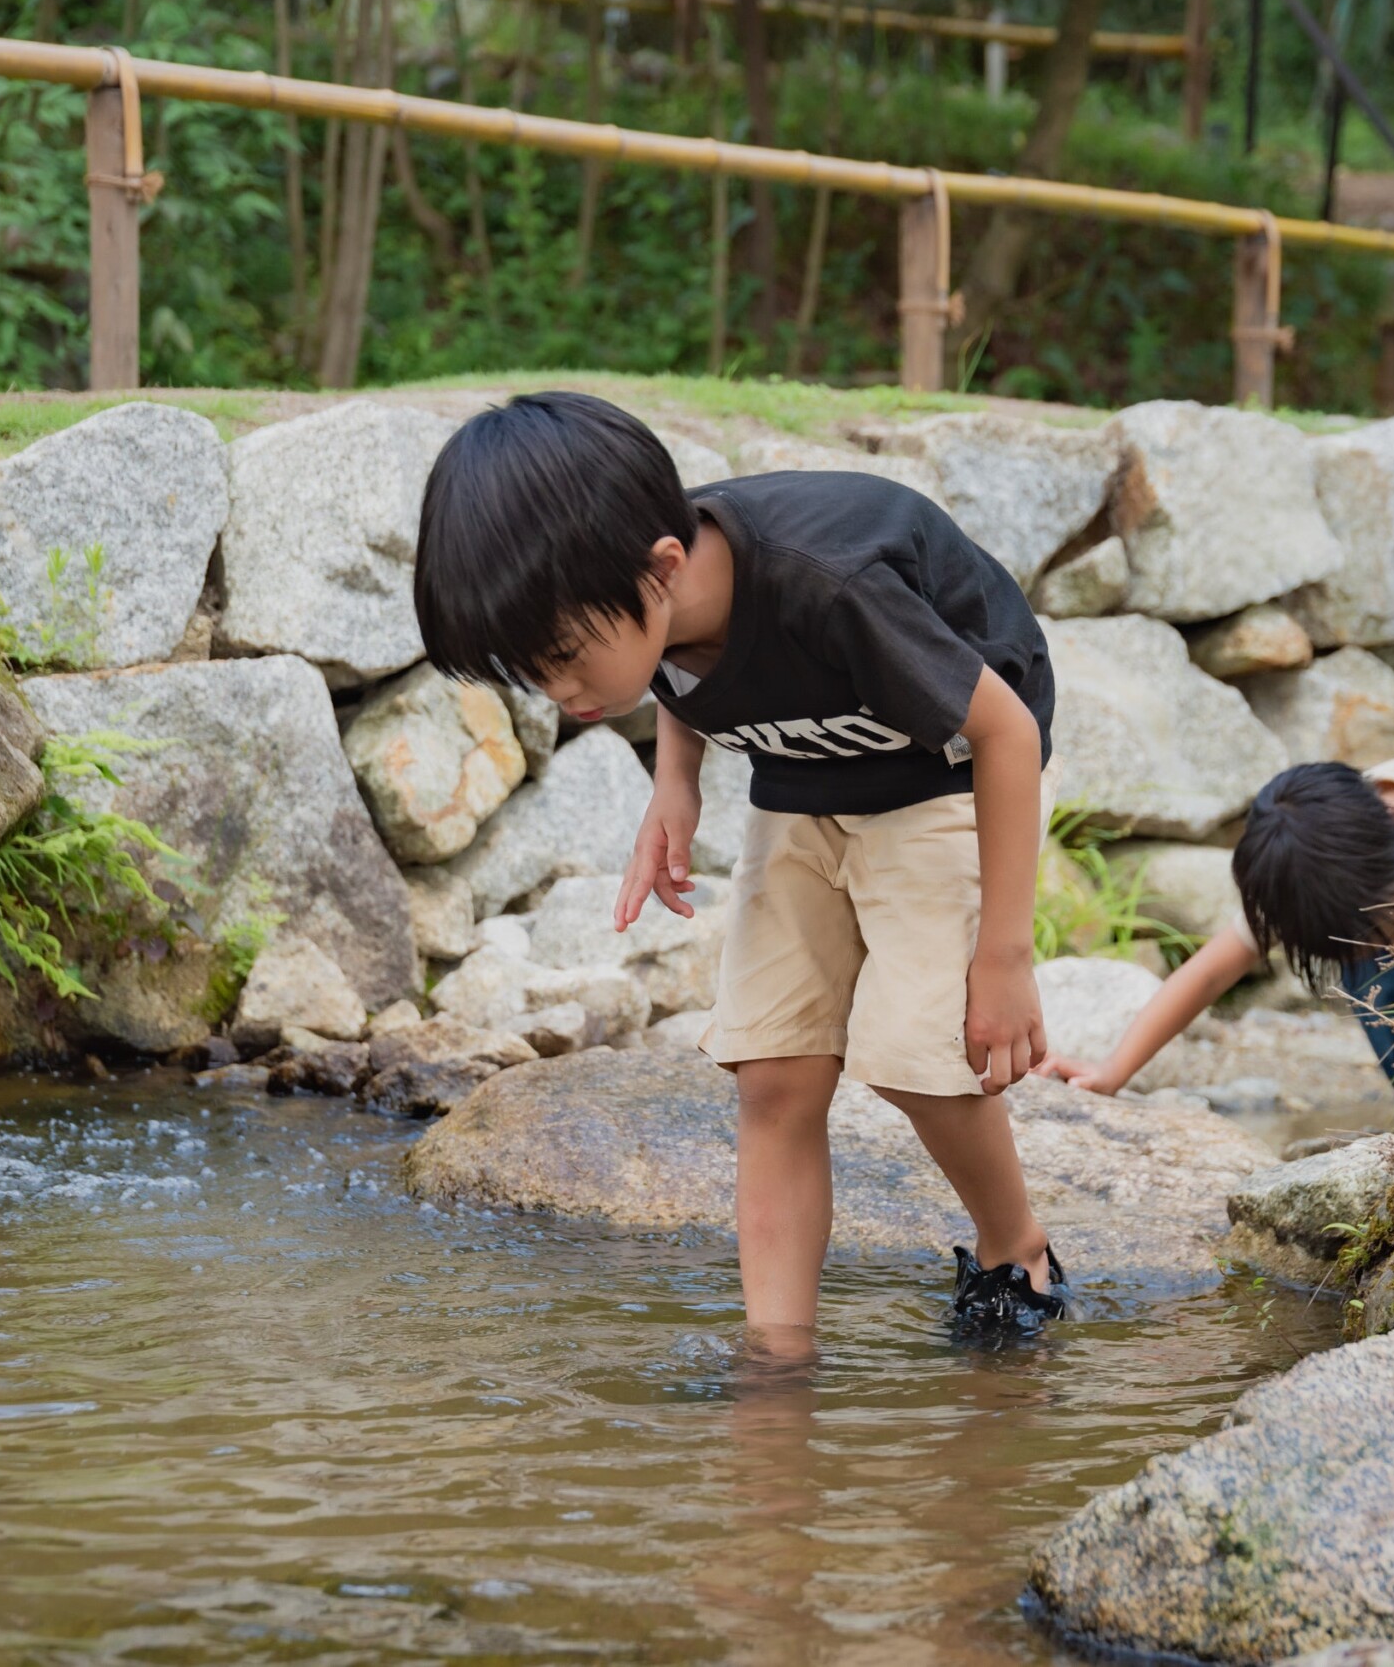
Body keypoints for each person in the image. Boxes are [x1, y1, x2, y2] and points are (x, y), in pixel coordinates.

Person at [411, 391, 1065, 1344]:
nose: (556, 692)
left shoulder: (829, 584)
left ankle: (1019, 1253)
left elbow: (1005, 730)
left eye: (560, 657)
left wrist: (1005, 954)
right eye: (530, 672)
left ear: (663, 570)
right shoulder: (650, 586)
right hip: (803, 777)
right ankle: (777, 1358)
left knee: (919, 1057)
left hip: (945, 773)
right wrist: (675, 785)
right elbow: (678, 660)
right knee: (772, 1069)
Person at [1037, 746, 1394, 1123]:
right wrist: (1112, 1072)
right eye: (1381, 932)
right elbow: (1212, 970)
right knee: (1367, 973)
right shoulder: (1312, 877)